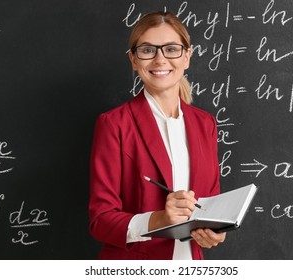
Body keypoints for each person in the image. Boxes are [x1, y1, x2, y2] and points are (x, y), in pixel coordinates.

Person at [88, 11, 225, 260]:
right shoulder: (114, 124)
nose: (160, 59)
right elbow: (100, 220)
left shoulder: (205, 124)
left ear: (187, 57)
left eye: (171, 49)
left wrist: (215, 230)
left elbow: (211, 207)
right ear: (133, 59)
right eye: (148, 50)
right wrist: (159, 219)